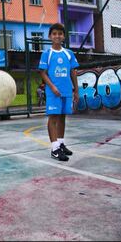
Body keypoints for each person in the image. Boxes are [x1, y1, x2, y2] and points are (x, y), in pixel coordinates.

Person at [38, 23, 79, 162]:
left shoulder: (69, 53)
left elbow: (73, 73)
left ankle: (61, 144)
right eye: (54, 33)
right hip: (53, 92)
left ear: (64, 36)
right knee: (53, 118)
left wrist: (76, 91)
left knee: (62, 117)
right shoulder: (46, 54)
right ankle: (54, 149)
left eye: (60, 33)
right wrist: (52, 87)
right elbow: (42, 73)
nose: (57, 36)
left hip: (66, 91)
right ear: (50, 36)